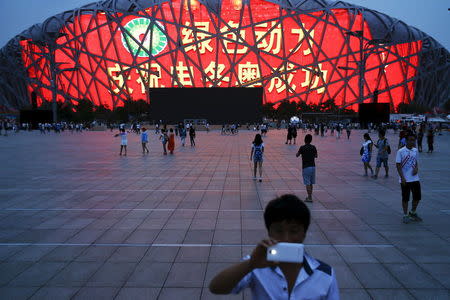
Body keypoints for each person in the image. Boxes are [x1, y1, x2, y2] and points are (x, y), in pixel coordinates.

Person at [209, 194, 339, 299]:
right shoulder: (258, 264)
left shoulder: (324, 274)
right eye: (278, 230)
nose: (286, 238)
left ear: (304, 233)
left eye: (293, 231)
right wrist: (250, 264)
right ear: (269, 231)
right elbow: (216, 287)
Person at [396, 133, 422, 224]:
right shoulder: (401, 151)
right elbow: (398, 165)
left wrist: (416, 169)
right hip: (405, 179)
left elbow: (416, 161)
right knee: (405, 198)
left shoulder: (415, 150)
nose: (412, 142)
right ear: (406, 141)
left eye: (413, 140)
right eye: (410, 140)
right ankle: (405, 214)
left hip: (415, 178)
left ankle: (413, 212)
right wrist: (402, 177)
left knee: (417, 197)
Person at [296, 134, 318, 202]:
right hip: (313, 166)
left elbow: (297, 155)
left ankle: (310, 197)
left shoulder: (302, 147)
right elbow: (316, 156)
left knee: (307, 182)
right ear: (311, 140)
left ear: (305, 139)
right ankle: (309, 196)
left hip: (306, 167)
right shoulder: (313, 147)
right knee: (311, 182)